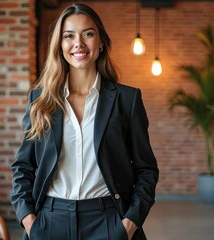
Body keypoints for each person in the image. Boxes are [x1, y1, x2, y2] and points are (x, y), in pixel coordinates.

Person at [11, 3, 159, 240]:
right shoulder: (40, 100)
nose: (78, 43)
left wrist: (129, 224)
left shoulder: (127, 99)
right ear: (60, 45)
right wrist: (29, 221)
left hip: (108, 220)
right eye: (69, 36)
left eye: (88, 34)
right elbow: (23, 167)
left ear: (100, 42)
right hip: (50, 221)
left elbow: (146, 169)